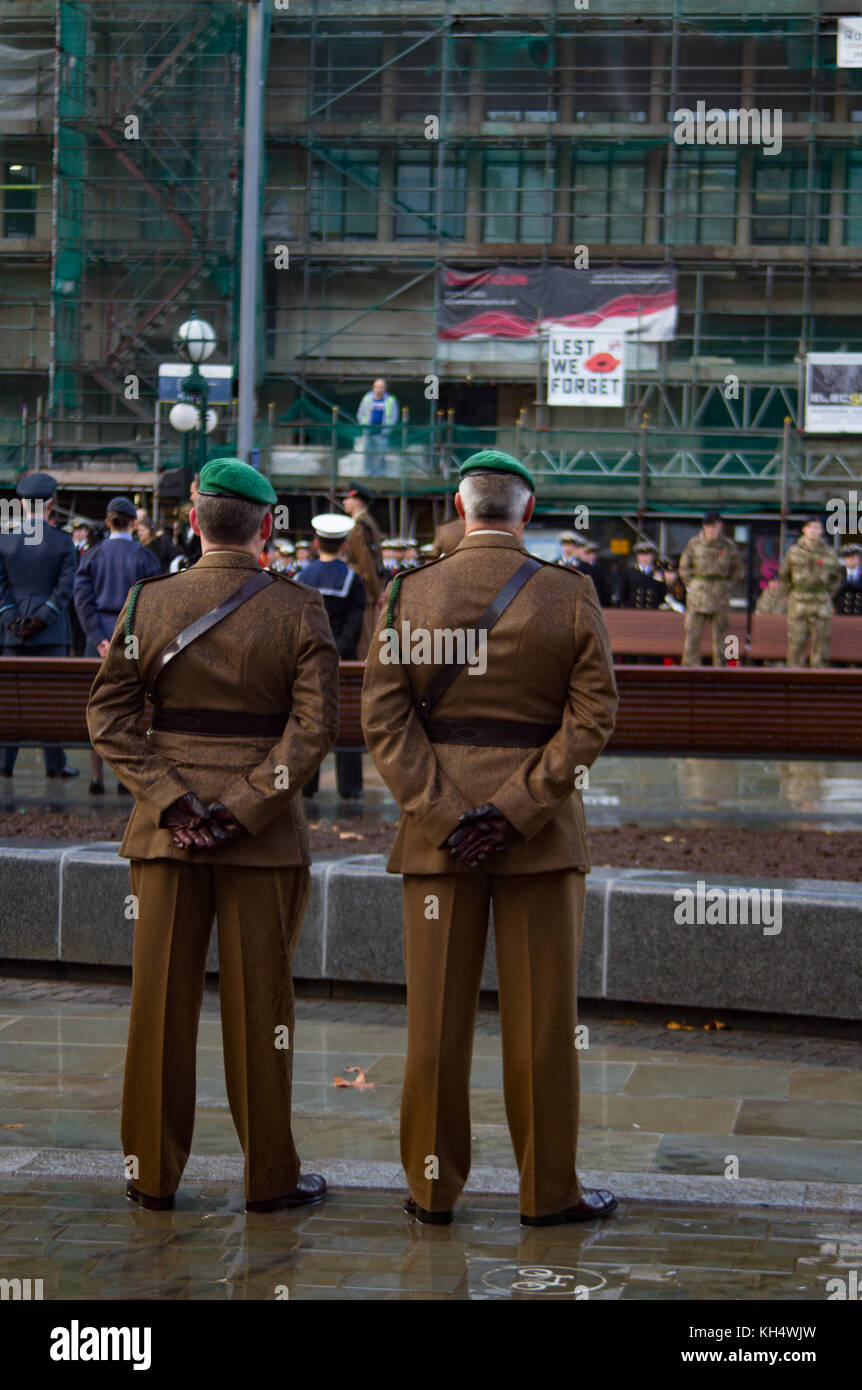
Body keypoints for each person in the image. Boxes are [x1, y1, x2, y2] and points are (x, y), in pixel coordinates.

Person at [361, 448, 618, 1228]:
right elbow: (593, 716)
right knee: (542, 1025)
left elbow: (383, 717)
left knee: (435, 1021)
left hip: (438, 842)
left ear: (460, 506)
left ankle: (431, 1189)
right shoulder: (569, 594)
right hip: (537, 841)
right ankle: (548, 1193)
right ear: (527, 513)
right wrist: (517, 807)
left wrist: (442, 812)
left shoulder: (409, 592)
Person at [86, 458, 339, 1213]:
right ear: (267, 526)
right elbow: (316, 727)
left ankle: (151, 1176)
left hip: (167, 837)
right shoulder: (299, 608)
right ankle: (270, 1177)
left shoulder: (148, 600)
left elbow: (110, 718)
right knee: (263, 1009)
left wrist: (173, 802)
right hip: (259, 842)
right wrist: (246, 806)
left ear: (194, 519)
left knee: (157, 1009)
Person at [74, 496, 161, 795]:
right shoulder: (145, 557)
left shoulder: (92, 555)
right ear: (133, 524)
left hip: (95, 640)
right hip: (132, 641)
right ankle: (127, 778)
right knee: (130, 709)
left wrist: (98, 638)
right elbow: (152, 605)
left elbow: (82, 601)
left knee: (97, 709)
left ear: (108, 521)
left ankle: (96, 777)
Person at [0, 471, 79, 781]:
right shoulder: (63, 542)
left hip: (11, 634)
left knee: (11, 699)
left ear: (21, 504)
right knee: (52, 700)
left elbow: (1, 587)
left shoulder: (5, 540)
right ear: (51, 504)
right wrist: (41, 619)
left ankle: (5, 762)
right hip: (51, 632)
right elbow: (65, 589)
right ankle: (55, 764)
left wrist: (11, 619)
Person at [296, 513, 366, 800]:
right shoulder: (353, 580)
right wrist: (337, 650)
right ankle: (350, 787)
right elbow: (355, 625)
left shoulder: (301, 577)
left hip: (309, 662)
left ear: (315, 543)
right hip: (344, 661)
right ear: (345, 546)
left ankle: (308, 785)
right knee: (345, 716)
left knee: (310, 720)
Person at [679, 511, 743, 666]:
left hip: (720, 595)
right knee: (692, 636)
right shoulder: (694, 544)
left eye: (714, 526)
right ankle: (689, 670)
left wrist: (727, 586)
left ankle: (721, 669)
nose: (711, 530)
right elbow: (684, 568)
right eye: (708, 526)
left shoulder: (728, 546)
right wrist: (693, 586)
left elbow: (737, 571)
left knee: (722, 637)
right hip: (698, 596)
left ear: (720, 526)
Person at [779, 515, 843, 668]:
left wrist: (828, 593)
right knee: (796, 642)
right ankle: (793, 680)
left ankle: (819, 681)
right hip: (798, 603)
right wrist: (791, 593)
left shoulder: (829, 553)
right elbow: (784, 575)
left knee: (821, 644)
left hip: (821, 603)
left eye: (817, 527)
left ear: (821, 531)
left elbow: (837, 576)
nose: (813, 531)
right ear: (804, 530)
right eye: (810, 527)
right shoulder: (794, 551)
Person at [343, 483, 385, 658]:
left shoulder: (360, 525)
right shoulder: (365, 522)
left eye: (348, 498)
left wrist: (376, 593)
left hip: (363, 587)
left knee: (363, 643)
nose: (344, 502)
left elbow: (366, 561)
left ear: (357, 501)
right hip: (365, 587)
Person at [356, 377, 399, 476]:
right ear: (373, 387)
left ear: (385, 388)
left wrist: (387, 430)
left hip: (382, 434)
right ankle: (367, 475)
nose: (378, 389)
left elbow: (394, 416)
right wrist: (364, 426)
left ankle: (379, 477)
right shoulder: (367, 398)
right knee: (367, 456)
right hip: (368, 433)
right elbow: (360, 414)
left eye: (381, 387)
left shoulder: (390, 400)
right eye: (377, 387)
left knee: (380, 457)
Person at [620, 541, 667, 609]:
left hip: (653, 612)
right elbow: (623, 594)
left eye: (648, 555)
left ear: (653, 556)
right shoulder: (629, 573)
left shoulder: (658, 573)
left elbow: (662, 594)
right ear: (637, 557)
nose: (645, 558)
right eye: (642, 555)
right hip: (633, 610)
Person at [577, 539, 613, 607]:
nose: (592, 555)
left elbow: (605, 587)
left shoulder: (600, 568)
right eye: (588, 553)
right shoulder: (580, 568)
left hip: (599, 602)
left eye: (593, 553)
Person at [834, 544, 862, 615]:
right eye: (848, 557)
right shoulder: (839, 572)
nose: (851, 560)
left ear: (860, 558)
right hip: (842, 613)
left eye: (853, 557)